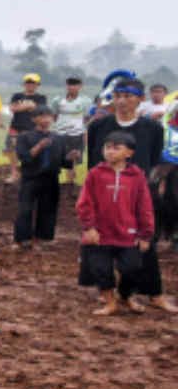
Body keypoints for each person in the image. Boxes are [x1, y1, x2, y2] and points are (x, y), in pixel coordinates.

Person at [85, 78, 175, 312]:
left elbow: (153, 158)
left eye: (128, 96)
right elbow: (93, 161)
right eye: (118, 96)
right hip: (105, 194)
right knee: (102, 244)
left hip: (139, 195)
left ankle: (153, 293)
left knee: (145, 244)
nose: (122, 101)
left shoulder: (152, 128)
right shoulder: (98, 126)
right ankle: (107, 293)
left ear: (140, 99)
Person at [77, 132, 154, 316]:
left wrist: (145, 234)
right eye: (107, 148)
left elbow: (145, 206)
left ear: (129, 153)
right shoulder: (95, 174)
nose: (110, 152)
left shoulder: (137, 176)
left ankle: (125, 297)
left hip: (128, 234)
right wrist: (89, 227)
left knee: (131, 268)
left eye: (116, 148)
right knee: (101, 269)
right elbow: (85, 202)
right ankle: (110, 302)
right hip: (99, 234)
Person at [13, 108, 75, 250]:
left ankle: (43, 237)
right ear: (34, 119)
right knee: (25, 209)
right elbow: (24, 158)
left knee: (48, 209)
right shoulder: (25, 137)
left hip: (51, 178)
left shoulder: (58, 138)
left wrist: (71, 157)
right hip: (31, 177)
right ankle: (23, 238)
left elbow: (63, 162)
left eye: (49, 116)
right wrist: (39, 146)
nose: (46, 119)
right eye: (42, 116)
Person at [5, 73, 48, 184]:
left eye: (33, 83)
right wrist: (28, 106)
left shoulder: (41, 97)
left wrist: (21, 107)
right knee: (12, 150)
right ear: (24, 84)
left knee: (33, 152)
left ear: (37, 84)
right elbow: (12, 108)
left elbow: (40, 111)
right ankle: (14, 173)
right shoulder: (17, 96)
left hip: (32, 128)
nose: (30, 85)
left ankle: (32, 174)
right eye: (28, 82)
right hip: (16, 127)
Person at [51, 77, 90, 185]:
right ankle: (55, 181)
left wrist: (83, 132)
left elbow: (86, 118)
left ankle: (70, 183)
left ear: (80, 86)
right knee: (58, 157)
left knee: (73, 159)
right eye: (70, 84)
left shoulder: (85, 101)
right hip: (60, 133)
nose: (72, 87)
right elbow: (54, 116)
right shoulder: (58, 100)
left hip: (77, 133)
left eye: (75, 84)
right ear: (66, 86)